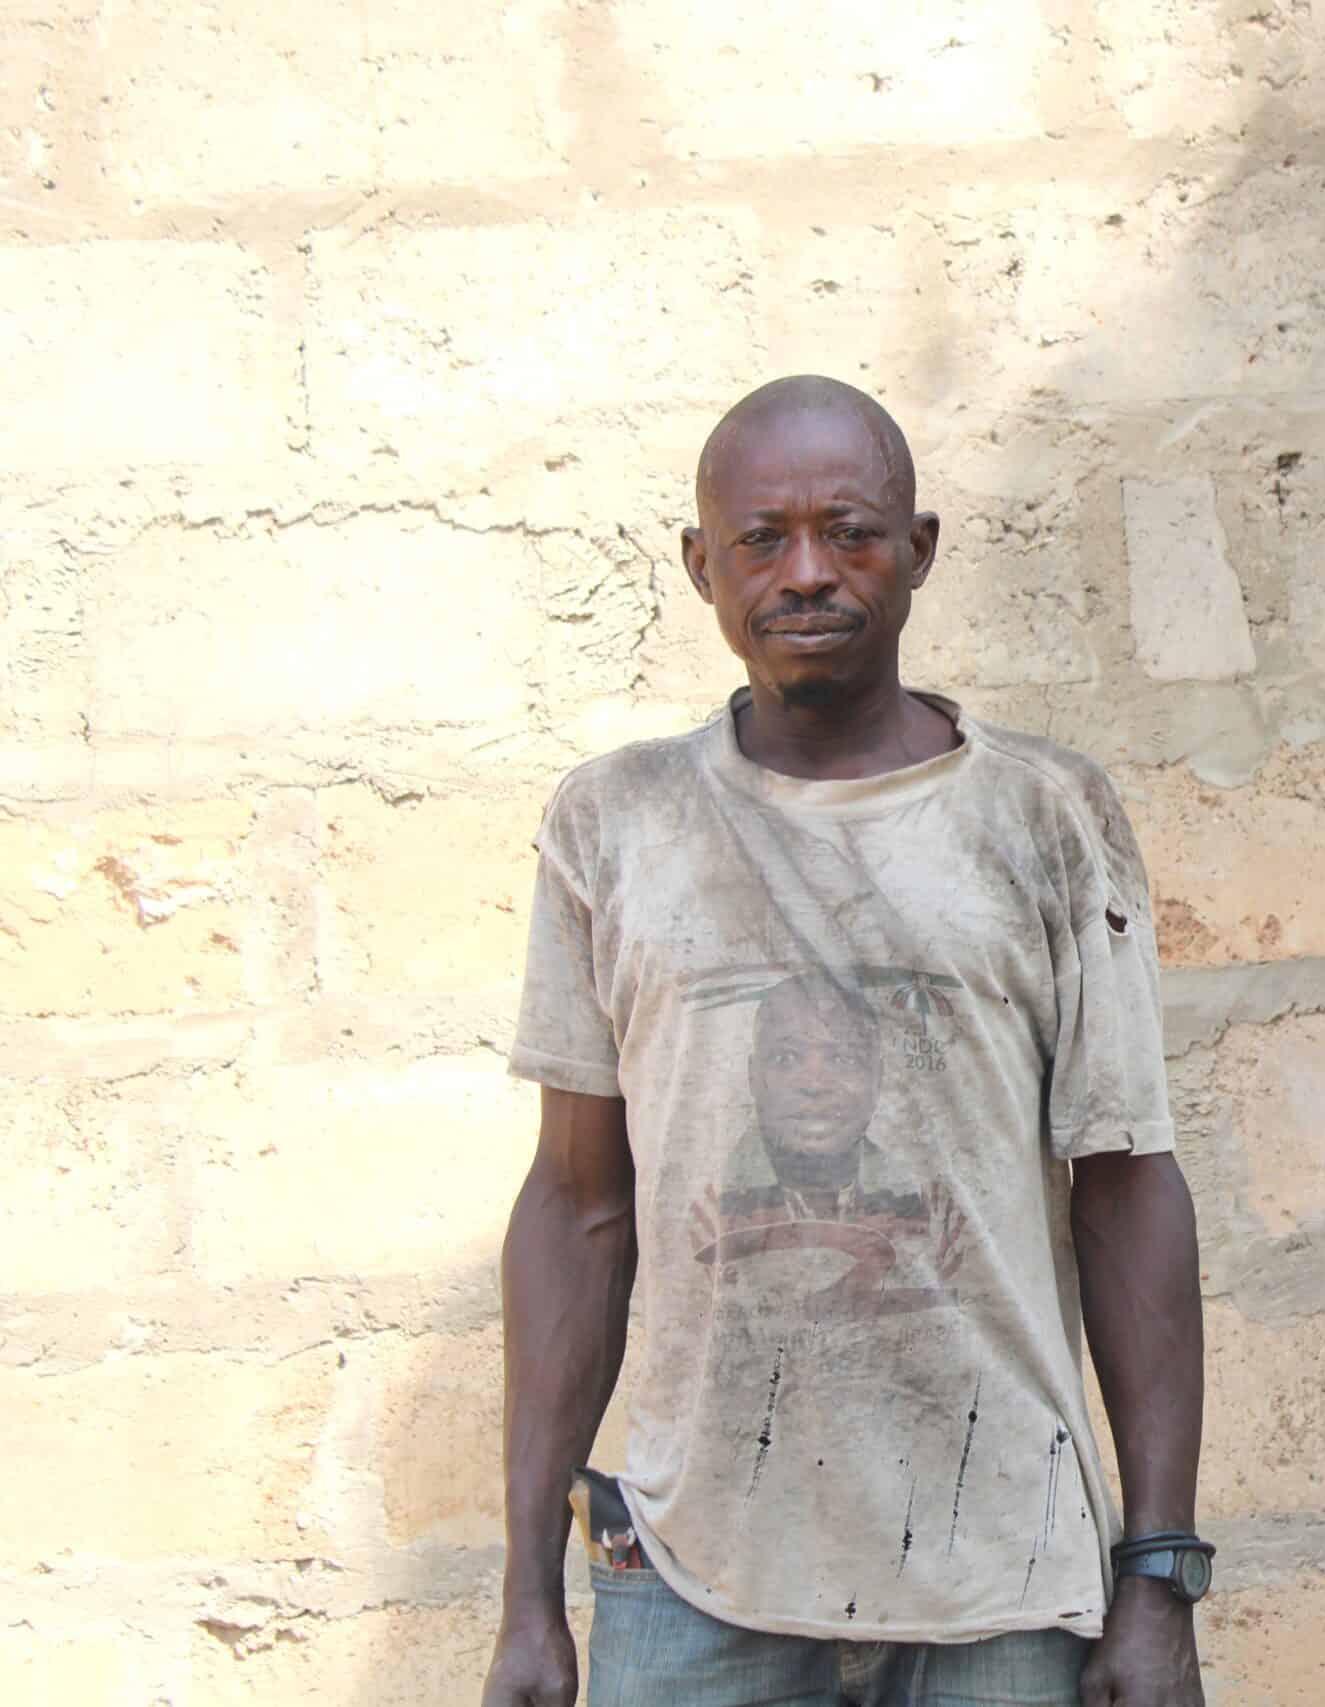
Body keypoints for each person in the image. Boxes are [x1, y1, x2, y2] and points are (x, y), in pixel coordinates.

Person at [481, 376, 1210, 1707]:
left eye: (850, 532)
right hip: (694, 1577)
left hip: (1004, 1571)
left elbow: (1126, 1185)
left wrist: (1159, 1577)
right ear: (702, 565)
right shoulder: (614, 827)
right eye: (763, 540)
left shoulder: (1042, 814)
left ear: (919, 550)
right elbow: (580, 1210)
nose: (806, 572)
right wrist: (528, 1591)